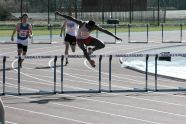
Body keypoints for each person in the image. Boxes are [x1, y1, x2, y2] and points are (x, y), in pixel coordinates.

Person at [55, 11, 122, 67]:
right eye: (89, 28)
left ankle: (92, 50)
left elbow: (105, 31)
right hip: (79, 39)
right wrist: (60, 14)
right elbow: (70, 18)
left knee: (102, 45)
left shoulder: (94, 27)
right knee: (84, 50)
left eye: (91, 28)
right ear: (88, 24)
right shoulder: (82, 23)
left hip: (87, 38)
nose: (90, 29)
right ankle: (90, 61)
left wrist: (115, 36)